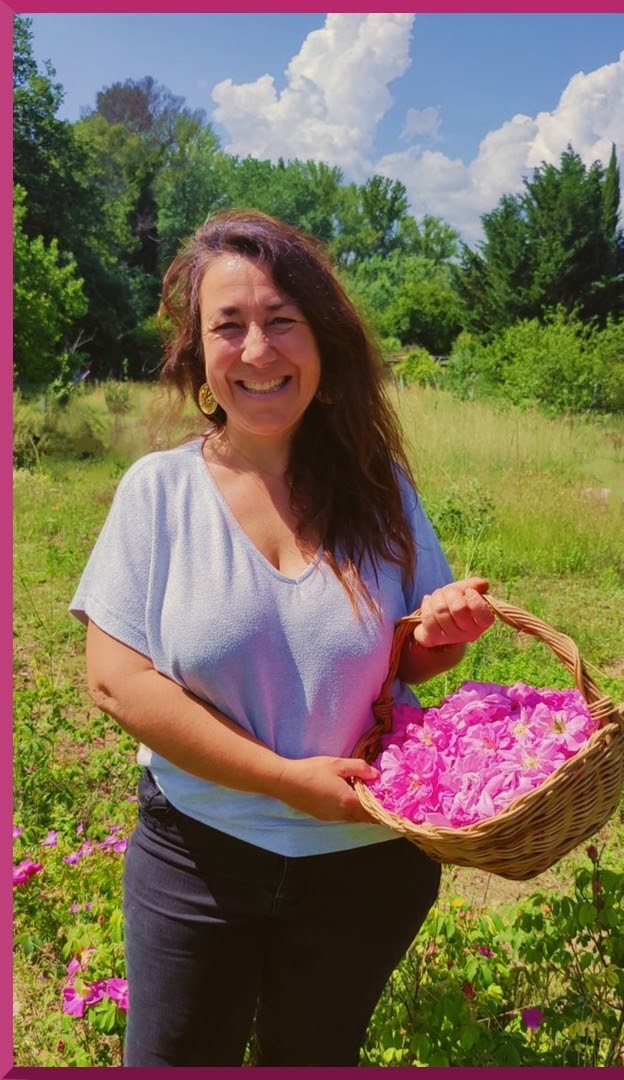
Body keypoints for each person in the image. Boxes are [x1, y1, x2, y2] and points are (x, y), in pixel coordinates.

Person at [70, 208, 494, 1067]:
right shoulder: (159, 492)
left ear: (324, 346)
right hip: (199, 854)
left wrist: (443, 633)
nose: (257, 350)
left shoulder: (381, 492)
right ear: (198, 354)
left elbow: (407, 653)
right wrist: (283, 782)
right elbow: (116, 680)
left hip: (366, 864)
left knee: (316, 1057)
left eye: (282, 322)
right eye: (229, 326)